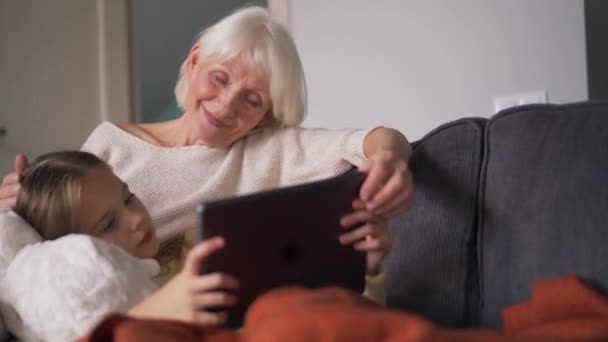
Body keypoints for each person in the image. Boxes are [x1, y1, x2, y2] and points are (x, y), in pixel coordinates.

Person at [0, 5, 412, 306]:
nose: (227, 105)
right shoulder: (109, 144)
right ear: (195, 62)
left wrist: (389, 159)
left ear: (266, 114)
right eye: (219, 78)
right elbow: (60, 236)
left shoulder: (266, 150)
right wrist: (20, 207)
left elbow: (378, 139)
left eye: (251, 99)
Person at [12, 150, 392, 328]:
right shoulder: (86, 306)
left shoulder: (201, 246)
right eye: (108, 224)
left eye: (128, 197)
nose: (134, 218)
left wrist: (363, 268)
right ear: (76, 251)